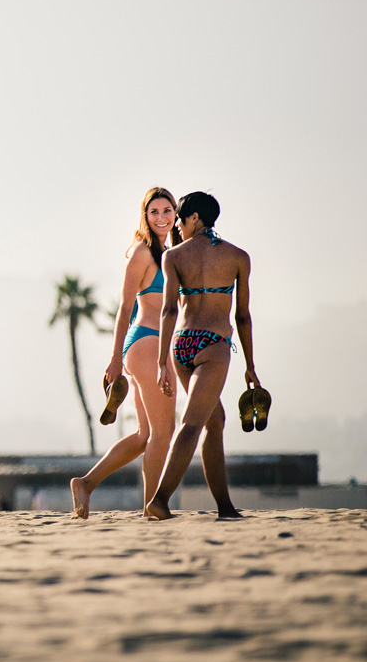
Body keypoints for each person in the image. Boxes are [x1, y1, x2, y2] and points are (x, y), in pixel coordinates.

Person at [71, 188, 181, 519]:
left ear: (175, 213)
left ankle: (86, 484)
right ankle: (153, 507)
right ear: (145, 216)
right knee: (164, 433)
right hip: (146, 343)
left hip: (153, 346)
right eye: (154, 212)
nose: (161, 217)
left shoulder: (172, 251)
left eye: (167, 210)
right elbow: (125, 308)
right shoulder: (142, 254)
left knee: (145, 434)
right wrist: (115, 358)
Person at [145, 191, 252, 520]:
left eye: (179, 217)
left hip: (182, 346)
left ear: (195, 218)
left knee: (214, 420)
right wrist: (251, 366)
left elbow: (168, 312)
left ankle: (224, 506)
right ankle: (159, 501)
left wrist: (163, 361)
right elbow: (243, 317)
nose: (176, 224)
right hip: (213, 346)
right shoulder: (237, 257)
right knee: (192, 424)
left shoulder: (173, 256)